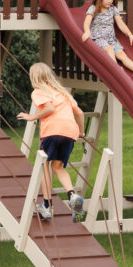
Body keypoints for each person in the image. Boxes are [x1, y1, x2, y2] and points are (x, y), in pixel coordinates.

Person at [17, 63, 87, 222]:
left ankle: (47, 206)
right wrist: (81, 132)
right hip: (70, 132)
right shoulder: (63, 92)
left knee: (44, 165)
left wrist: (32, 117)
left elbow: (49, 108)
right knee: (58, 167)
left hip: (52, 131)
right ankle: (72, 196)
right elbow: (80, 113)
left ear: (34, 77)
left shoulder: (39, 91)